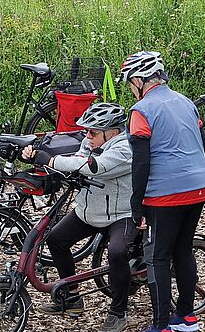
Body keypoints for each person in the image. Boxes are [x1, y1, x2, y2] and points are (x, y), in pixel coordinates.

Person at [21, 103, 136, 332]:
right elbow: (76, 159)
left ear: (112, 131)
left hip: (121, 214)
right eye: (86, 131)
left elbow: (94, 167)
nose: (87, 136)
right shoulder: (90, 142)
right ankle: (72, 299)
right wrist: (34, 155)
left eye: (93, 132)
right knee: (55, 240)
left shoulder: (125, 149)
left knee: (117, 254)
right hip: (90, 211)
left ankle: (118, 313)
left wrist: (49, 160)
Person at [122, 52, 205, 332]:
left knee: (158, 257)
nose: (130, 89)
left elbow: (141, 162)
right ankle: (186, 317)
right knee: (183, 249)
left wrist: (137, 204)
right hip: (198, 186)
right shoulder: (186, 102)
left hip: (164, 194)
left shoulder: (141, 111)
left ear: (138, 80)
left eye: (129, 83)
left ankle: (161, 325)